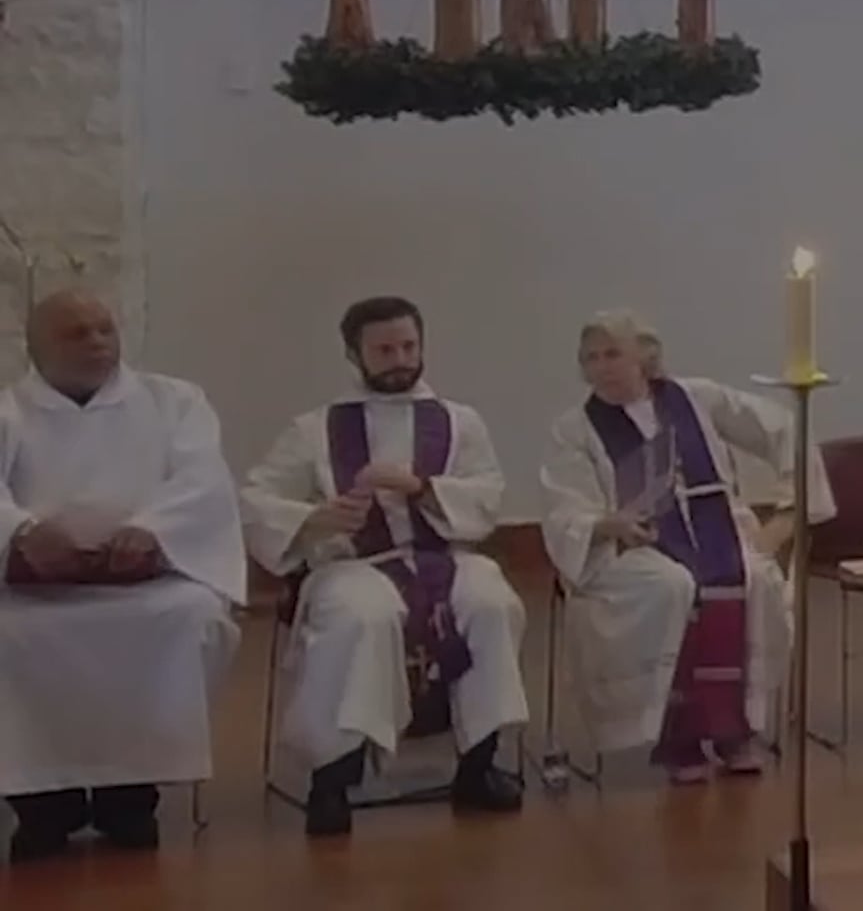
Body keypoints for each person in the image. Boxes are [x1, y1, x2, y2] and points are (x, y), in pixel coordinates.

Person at [242, 296, 528, 837]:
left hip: (443, 557)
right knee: (362, 616)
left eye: (408, 347)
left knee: (492, 602)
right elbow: (257, 499)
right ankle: (333, 778)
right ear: (354, 355)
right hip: (354, 563)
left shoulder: (459, 422)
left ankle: (478, 764)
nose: (400, 360)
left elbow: (487, 495)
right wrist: (316, 519)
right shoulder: (314, 429)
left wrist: (423, 489)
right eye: (384, 350)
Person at [0, 291, 246, 863]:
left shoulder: (175, 401)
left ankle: (131, 796)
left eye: (104, 330)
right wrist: (21, 531)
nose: (97, 343)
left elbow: (203, 479)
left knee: (192, 619)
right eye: (77, 334)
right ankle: (42, 803)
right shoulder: (9, 413)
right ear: (36, 349)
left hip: (145, 582)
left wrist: (152, 530)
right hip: (34, 589)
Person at [541, 311, 834, 783]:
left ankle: (734, 729)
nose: (602, 367)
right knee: (671, 586)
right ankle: (678, 735)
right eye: (591, 358)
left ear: (644, 356)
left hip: (714, 527)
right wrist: (608, 523)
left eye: (613, 354)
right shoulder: (575, 428)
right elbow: (566, 506)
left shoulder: (695, 398)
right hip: (628, 546)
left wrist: (789, 512)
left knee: (754, 578)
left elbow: (783, 429)